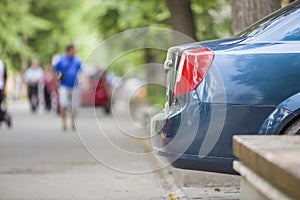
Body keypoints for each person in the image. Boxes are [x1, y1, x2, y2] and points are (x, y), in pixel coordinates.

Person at [53, 44, 82, 131]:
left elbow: (82, 71)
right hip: (63, 86)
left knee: (74, 105)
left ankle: (73, 123)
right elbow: (55, 71)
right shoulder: (61, 59)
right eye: (73, 51)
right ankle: (64, 123)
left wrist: (86, 83)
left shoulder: (77, 60)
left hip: (75, 85)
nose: (74, 52)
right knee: (63, 104)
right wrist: (55, 82)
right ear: (68, 51)